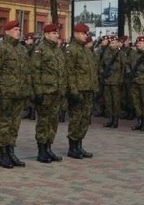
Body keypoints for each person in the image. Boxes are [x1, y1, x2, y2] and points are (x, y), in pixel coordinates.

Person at [0, 19, 30, 169]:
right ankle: (3, 154)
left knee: (15, 125)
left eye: (19, 30)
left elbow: (26, 72)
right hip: (5, 93)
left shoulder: (22, 49)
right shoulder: (0, 48)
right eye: (15, 30)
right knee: (5, 124)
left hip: (19, 93)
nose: (18, 32)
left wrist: (27, 90)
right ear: (6, 32)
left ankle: (11, 151)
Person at [30, 23, 67, 163]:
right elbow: (35, 72)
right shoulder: (40, 50)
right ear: (46, 35)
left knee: (53, 122)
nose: (56, 35)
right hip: (45, 92)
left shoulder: (58, 50)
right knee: (44, 121)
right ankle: (41, 150)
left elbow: (62, 72)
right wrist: (38, 91)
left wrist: (63, 89)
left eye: (57, 33)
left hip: (57, 92)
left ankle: (49, 148)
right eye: (53, 33)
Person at [65, 23, 98, 158]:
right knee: (76, 119)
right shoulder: (71, 50)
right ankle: (72, 147)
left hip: (88, 90)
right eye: (84, 33)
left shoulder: (86, 50)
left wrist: (95, 88)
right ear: (76, 33)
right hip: (78, 90)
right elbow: (69, 72)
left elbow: (92, 71)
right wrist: (73, 91)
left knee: (85, 119)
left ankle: (79, 145)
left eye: (86, 34)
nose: (86, 36)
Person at [100, 35, 125, 129]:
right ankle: (110, 119)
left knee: (116, 101)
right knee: (108, 101)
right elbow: (101, 65)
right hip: (107, 81)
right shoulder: (106, 53)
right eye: (110, 43)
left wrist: (121, 80)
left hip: (116, 81)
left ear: (118, 43)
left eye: (113, 42)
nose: (111, 44)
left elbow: (124, 68)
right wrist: (102, 73)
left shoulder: (121, 54)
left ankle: (115, 120)